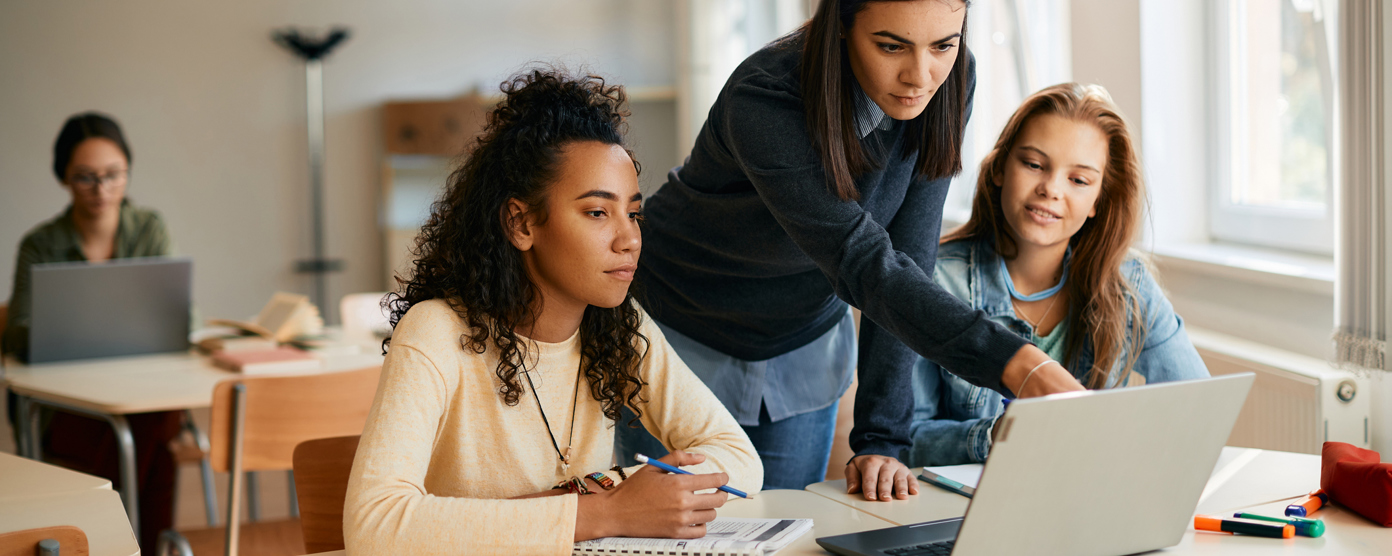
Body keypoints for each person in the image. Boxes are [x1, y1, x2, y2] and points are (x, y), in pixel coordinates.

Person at [620, 0, 1085, 498]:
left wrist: (882, 437)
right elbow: (861, 261)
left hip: (803, 339)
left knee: (786, 530)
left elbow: (908, 258)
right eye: (892, 46)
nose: (920, 76)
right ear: (841, 25)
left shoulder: (951, 79)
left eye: (943, 45)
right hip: (679, 328)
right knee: (670, 532)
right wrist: (1018, 363)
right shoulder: (764, 98)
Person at [343, 69, 763, 555]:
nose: (629, 239)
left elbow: (739, 458)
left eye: (633, 213)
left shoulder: (618, 325)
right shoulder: (436, 331)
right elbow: (373, 525)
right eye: (597, 212)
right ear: (521, 224)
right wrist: (607, 511)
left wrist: (599, 493)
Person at [906, 83, 1211, 467]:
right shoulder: (933, 279)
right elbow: (903, 440)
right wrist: (996, 435)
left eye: (1079, 180)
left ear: (1098, 200)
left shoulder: (1127, 283)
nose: (1050, 189)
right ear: (1000, 168)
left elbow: (1199, 408)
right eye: (1034, 165)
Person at [2, 112, 180, 551]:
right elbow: (17, 334)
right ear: (64, 176)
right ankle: (136, 542)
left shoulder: (150, 229)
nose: (102, 189)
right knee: (158, 444)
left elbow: (179, 315)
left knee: (151, 417)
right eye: (86, 177)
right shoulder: (40, 244)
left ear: (127, 172)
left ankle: (104, 538)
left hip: (141, 391)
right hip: (66, 402)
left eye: (113, 175)